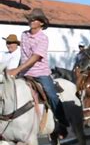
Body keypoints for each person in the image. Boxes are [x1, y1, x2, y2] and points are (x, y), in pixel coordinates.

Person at [7, 8, 69, 138]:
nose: (31, 21)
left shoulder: (43, 38)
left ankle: (62, 122)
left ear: (41, 23)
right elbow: (23, 55)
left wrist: (17, 70)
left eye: (34, 19)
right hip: (24, 73)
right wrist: (16, 70)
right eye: (30, 18)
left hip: (40, 73)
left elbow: (35, 57)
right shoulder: (24, 35)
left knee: (51, 95)